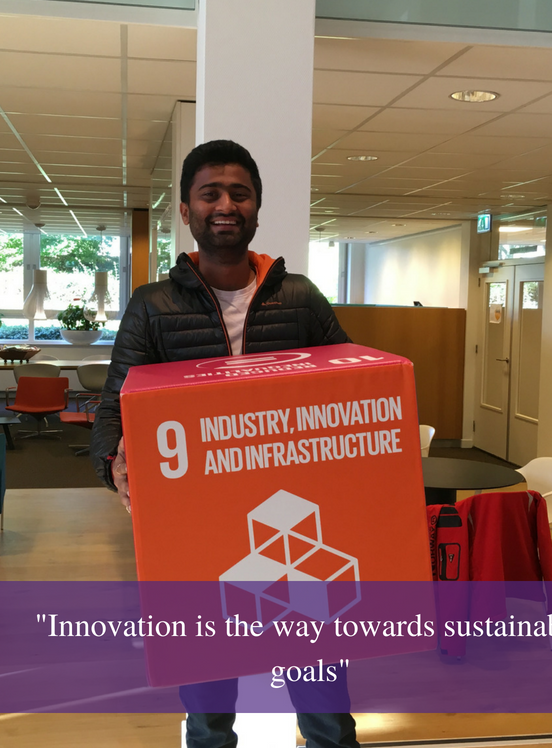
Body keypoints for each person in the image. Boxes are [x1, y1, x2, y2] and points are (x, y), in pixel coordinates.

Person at [91, 139, 359, 748]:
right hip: (197, 528)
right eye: (210, 193)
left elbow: (354, 386)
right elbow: (113, 407)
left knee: (325, 706)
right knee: (208, 710)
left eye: (240, 193)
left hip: (294, 519)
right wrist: (115, 463)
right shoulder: (152, 306)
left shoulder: (301, 298)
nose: (226, 205)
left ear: (257, 207)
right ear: (186, 209)